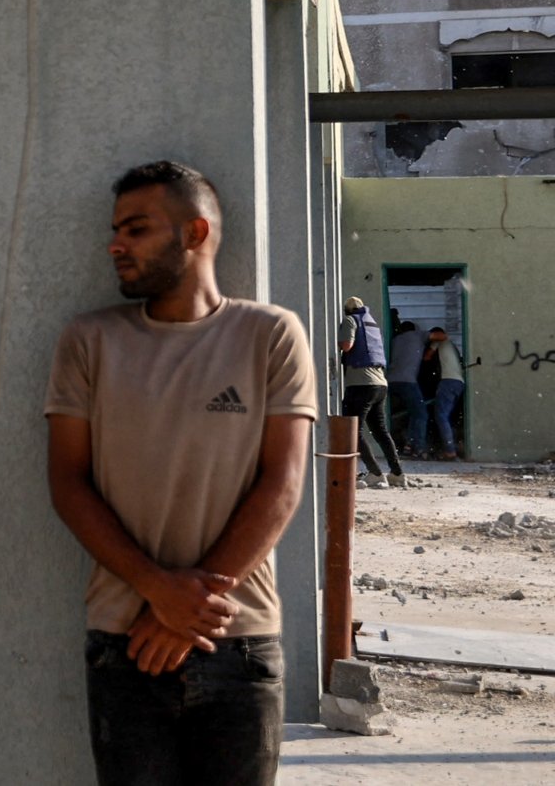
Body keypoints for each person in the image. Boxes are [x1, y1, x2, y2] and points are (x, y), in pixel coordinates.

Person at [45, 161, 315, 786]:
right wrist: (156, 589)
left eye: (136, 229)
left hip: (239, 641)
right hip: (124, 644)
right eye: (115, 229)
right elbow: (67, 482)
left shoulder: (271, 335)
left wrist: (187, 603)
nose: (115, 244)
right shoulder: (89, 341)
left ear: (194, 234)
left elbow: (284, 483)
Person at [338, 297, 405, 488]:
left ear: (347, 310)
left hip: (361, 384)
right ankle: (397, 473)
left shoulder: (351, 321)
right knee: (380, 431)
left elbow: (347, 346)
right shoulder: (371, 324)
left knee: (353, 430)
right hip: (380, 384)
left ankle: (375, 473)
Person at [414, 327, 464, 460]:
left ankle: (450, 451)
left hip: (448, 381)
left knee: (441, 416)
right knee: (447, 417)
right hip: (458, 383)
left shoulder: (440, 342)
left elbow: (426, 357)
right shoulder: (452, 346)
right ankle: (450, 447)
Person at [388, 320, 427, 456]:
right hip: (407, 381)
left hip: (391, 380)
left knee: (402, 414)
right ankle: (418, 448)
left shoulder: (395, 340)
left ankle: (407, 446)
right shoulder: (418, 336)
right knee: (421, 414)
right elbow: (440, 336)